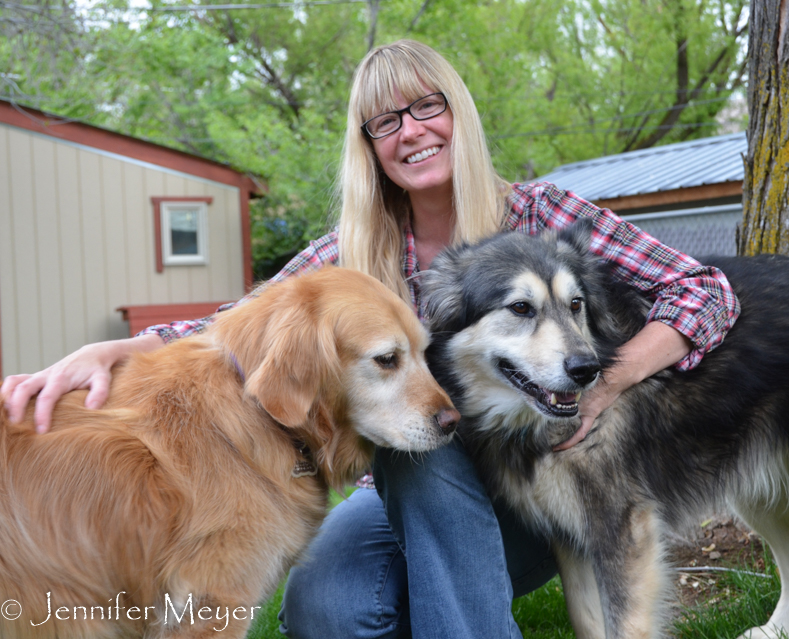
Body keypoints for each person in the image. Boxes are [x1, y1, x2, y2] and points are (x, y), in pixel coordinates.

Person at [0, 40, 739, 638]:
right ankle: (452, 602)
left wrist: (609, 378)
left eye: (427, 106)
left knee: (418, 443)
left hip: (531, 483)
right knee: (329, 611)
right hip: (406, 490)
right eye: (386, 121)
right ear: (370, 145)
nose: (411, 130)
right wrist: (116, 349)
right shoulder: (354, 250)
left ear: (459, 113)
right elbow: (244, 325)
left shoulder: (541, 212)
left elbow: (705, 291)